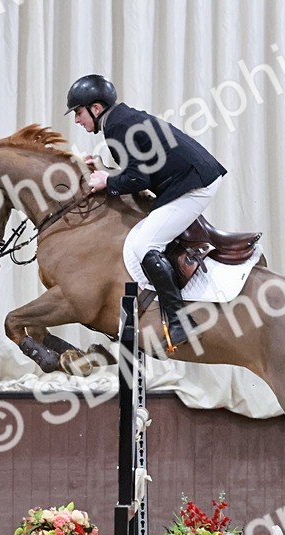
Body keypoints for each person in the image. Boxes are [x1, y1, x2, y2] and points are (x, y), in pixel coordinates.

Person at [66, 74, 226, 350]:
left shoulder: (116, 126)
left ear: (95, 108)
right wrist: (105, 169)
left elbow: (138, 181)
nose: (77, 120)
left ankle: (179, 320)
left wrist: (107, 181)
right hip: (190, 178)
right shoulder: (120, 120)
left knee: (144, 244)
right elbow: (140, 170)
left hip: (195, 184)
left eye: (79, 112)